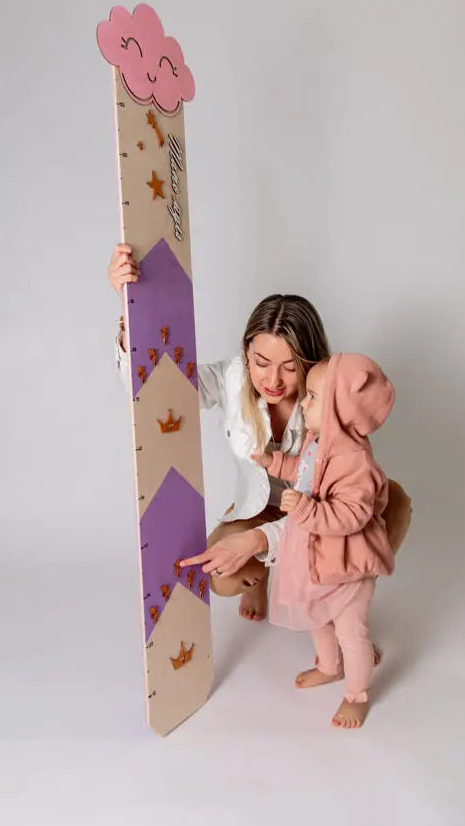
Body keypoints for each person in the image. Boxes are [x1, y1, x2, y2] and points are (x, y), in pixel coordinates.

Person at [108, 242, 330, 621]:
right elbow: (155, 385)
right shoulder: (232, 377)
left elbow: (340, 501)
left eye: (289, 367)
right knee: (221, 577)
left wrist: (255, 540)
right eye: (261, 362)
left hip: (320, 513)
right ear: (246, 353)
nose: (273, 380)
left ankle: (343, 619)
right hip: (257, 506)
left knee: (331, 571)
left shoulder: (329, 397)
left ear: (310, 360)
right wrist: (131, 308)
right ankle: (258, 577)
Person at [248, 353, 396, 729]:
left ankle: (356, 694)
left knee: (351, 630)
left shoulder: (356, 461)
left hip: (347, 561)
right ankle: (329, 667)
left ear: (339, 409)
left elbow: (353, 514)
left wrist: (307, 511)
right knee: (317, 616)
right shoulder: (319, 440)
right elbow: (304, 473)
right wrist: (276, 464)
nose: (304, 404)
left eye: (313, 397)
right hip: (315, 553)